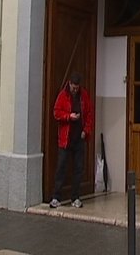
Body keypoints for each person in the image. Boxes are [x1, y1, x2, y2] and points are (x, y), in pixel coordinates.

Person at [49, 72, 94, 209]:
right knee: (61, 167)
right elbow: (56, 112)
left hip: (79, 138)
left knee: (78, 169)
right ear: (69, 84)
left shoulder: (84, 95)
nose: (75, 90)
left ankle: (75, 197)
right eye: (73, 87)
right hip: (65, 139)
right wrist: (69, 116)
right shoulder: (63, 95)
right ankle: (56, 197)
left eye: (77, 88)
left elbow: (89, 114)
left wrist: (86, 131)